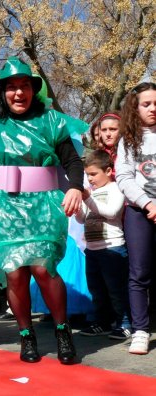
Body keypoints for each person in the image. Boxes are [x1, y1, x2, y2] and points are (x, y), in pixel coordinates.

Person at [0, 57, 84, 365]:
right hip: (4, 208)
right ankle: (26, 335)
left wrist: (75, 187)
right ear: (2, 93)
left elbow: (72, 161)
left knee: (43, 268)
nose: (18, 93)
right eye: (11, 87)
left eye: (24, 86)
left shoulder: (52, 121)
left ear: (33, 90)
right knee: (14, 273)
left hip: (43, 205)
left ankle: (63, 331)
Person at [115, 82, 156, 355]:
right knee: (139, 273)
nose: (153, 109)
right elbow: (123, 176)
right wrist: (147, 202)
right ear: (135, 106)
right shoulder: (128, 140)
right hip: (139, 212)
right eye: (147, 104)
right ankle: (141, 330)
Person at [75, 150, 130, 340]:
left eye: (93, 174)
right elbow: (82, 219)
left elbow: (112, 212)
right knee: (97, 289)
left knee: (116, 289)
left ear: (108, 170)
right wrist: (76, 208)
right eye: (87, 175)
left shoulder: (116, 189)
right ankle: (102, 322)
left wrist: (87, 198)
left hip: (112, 248)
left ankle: (124, 323)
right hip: (92, 250)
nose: (89, 179)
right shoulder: (91, 193)